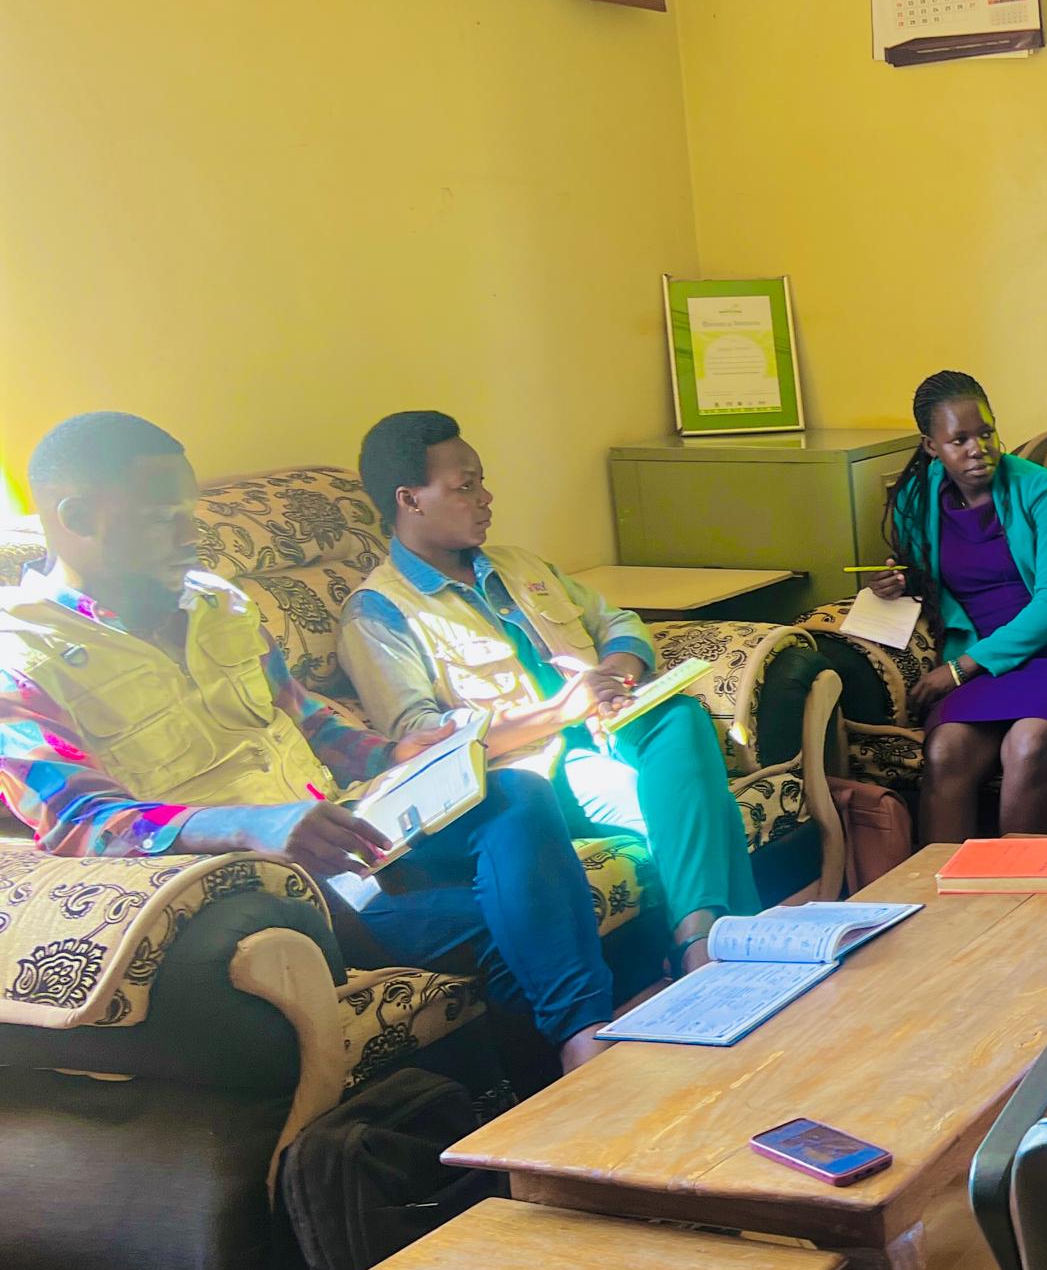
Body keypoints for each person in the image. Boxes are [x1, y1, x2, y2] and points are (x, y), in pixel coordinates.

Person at [0, 414, 628, 1071]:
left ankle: (578, 1051)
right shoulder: (21, 656)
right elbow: (79, 821)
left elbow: (309, 722)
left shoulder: (220, 604)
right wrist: (249, 827)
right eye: (164, 518)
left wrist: (397, 757)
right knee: (521, 924)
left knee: (515, 792)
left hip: (352, 828)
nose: (192, 536)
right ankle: (583, 1051)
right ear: (76, 515)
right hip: (266, 884)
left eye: (190, 512)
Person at [341, 411, 763, 977]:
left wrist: (612, 674)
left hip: (609, 733)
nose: (486, 497)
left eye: (482, 480)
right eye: (465, 486)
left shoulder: (519, 566)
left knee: (682, 717)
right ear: (409, 500)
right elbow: (424, 747)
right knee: (696, 803)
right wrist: (559, 711)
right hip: (533, 780)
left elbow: (619, 622)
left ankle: (702, 943)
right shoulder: (380, 614)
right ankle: (708, 941)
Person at [869, 371, 1047, 844]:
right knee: (946, 751)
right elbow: (925, 578)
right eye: (960, 440)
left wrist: (959, 670)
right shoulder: (916, 497)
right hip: (985, 659)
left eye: (987, 432)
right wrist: (895, 582)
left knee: (1030, 742)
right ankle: (942, 911)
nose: (979, 448)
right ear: (932, 446)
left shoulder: (1041, 488)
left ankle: (1020, 902)